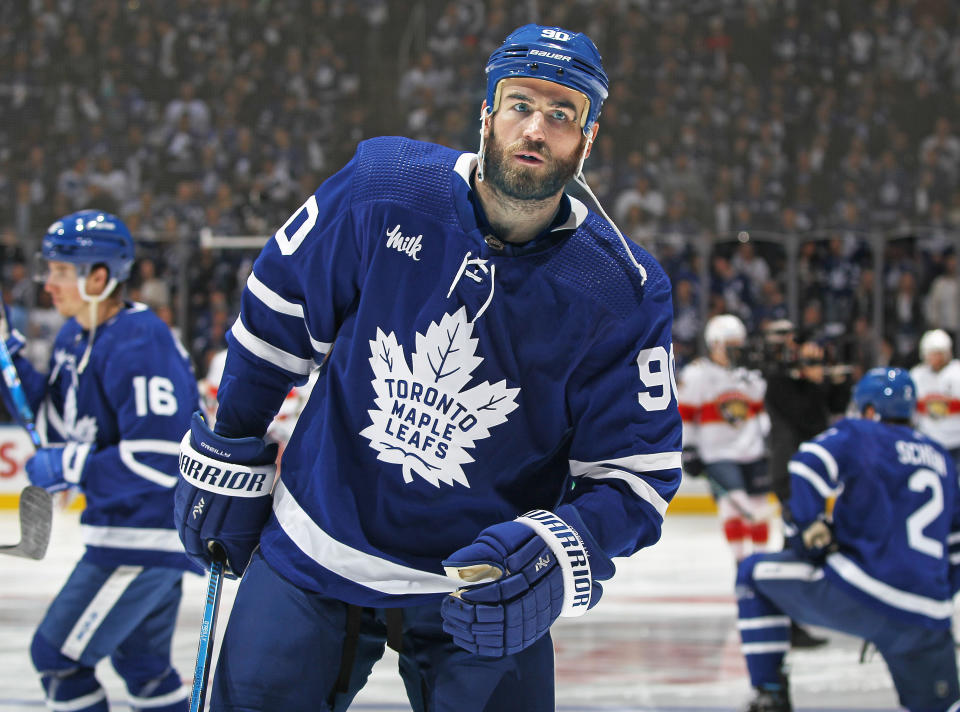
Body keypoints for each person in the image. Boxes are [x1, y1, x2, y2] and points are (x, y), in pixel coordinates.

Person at [174, 24, 682, 712]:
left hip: (480, 585)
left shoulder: (620, 287)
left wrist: (564, 551)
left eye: (563, 114)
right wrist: (232, 438)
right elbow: (276, 313)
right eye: (520, 104)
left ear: (587, 140)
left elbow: (636, 473)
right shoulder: (383, 186)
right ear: (486, 113)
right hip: (316, 545)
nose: (536, 128)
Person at [0, 210, 199, 711]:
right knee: (146, 670)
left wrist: (72, 466)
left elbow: (160, 455)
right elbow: (52, 424)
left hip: (141, 537)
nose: (49, 284)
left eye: (63, 272)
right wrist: (9, 359)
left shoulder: (142, 340)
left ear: (101, 276)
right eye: (50, 270)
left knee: (57, 657)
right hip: (127, 532)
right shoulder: (73, 337)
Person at [736, 368, 960, 712]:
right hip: (928, 613)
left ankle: (770, 695)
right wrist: (935, 593)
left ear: (868, 410)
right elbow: (956, 545)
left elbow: (807, 466)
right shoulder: (942, 457)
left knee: (752, 573)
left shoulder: (861, 432)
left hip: (863, 592)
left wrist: (806, 533)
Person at [760, 319, 852, 649]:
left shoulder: (803, 381)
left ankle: (789, 618)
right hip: (791, 475)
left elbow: (835, 407)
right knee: (794, 548)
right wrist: (816, 383)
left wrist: (837, 381)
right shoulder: (778, 381)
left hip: (810, 476)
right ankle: (786, 618)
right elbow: (807, 417)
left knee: (800, 545)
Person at [678, 314, 772, 562]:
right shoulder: (698, 374)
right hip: (718, 453)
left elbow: (760, 412)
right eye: (731, 345)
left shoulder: (750, 376)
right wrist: (688, 447)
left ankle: (759, 564)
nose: (737, 351)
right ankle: (741, 563)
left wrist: (767, 440)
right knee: (736, 505)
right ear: (716, 344)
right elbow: (684, 414)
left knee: (759, 509)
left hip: (753, 451)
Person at [910, 328, 960, 466]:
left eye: (939, 353)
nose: (935, 358)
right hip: (928, 439)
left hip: (955, 440)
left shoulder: (957, 372)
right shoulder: (917, 375)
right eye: (932, 354)